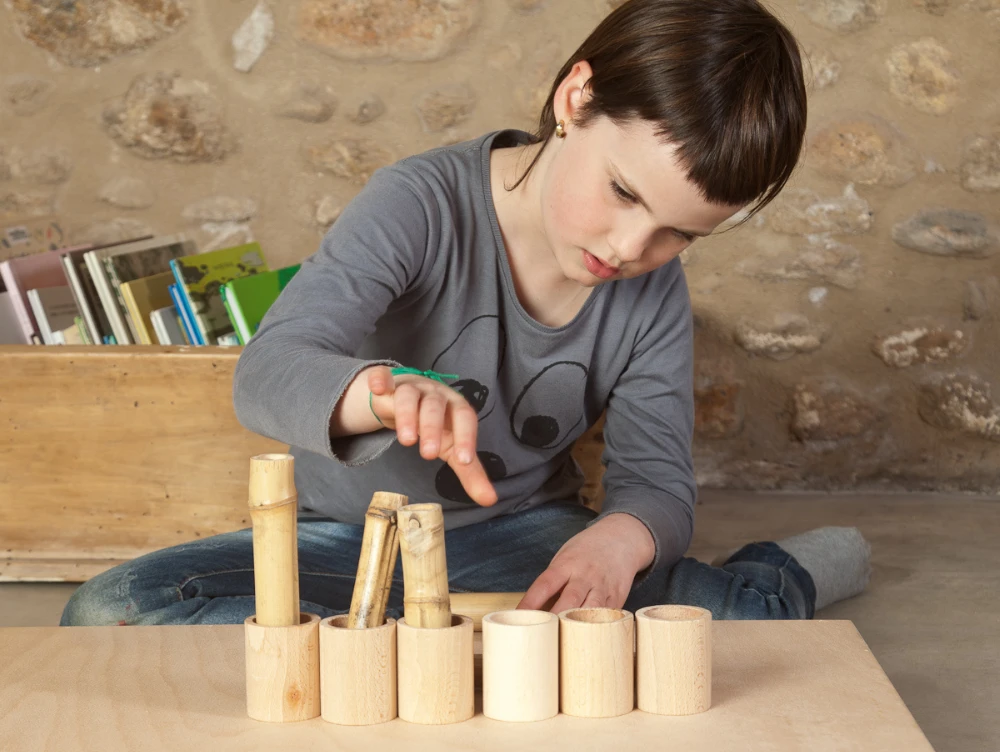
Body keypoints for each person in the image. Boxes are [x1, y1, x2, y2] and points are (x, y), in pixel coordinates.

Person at [61, 0, 870, 629]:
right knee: (109, 612)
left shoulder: (653, 292)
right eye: (624, 192)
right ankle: (411, 634)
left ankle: (772, 577)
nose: (630, 247)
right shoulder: (417, 204)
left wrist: (617, 541)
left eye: (679, 233)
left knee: (719, 619)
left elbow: (654, 481)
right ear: (576, 97)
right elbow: (267, 373)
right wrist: (381, 392)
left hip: (521, 539)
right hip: (348, 545)